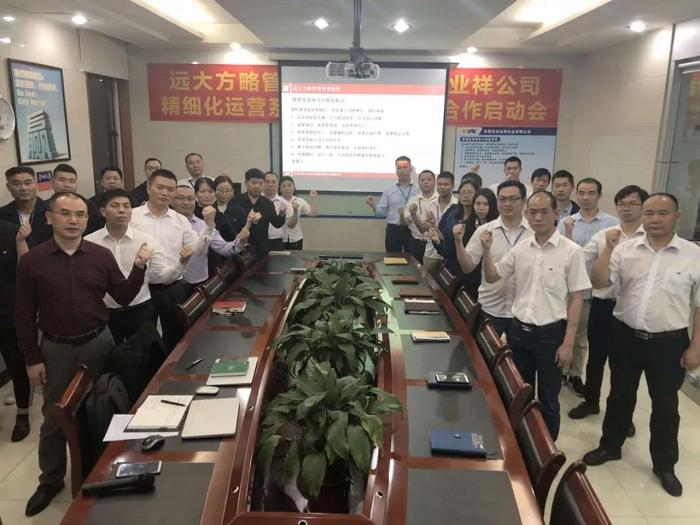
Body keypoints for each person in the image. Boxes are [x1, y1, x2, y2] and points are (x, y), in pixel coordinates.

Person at [15, 192, 150, 516]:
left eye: (79, 214)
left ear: (88, 219)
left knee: (104, 406)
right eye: (65, 213)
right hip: (56, 348)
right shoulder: (33, 261)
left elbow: (123, 296)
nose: (73, 220)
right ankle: (50, 480)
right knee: (54, 416)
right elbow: (23, 314)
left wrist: (138, 267)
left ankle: (104, 469)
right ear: (49, 218)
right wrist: (32, 358)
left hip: (98, 343)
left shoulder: (100, 255)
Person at [583, 193, 700, 498]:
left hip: (669, 342)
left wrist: (696, 348)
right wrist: (608, 249)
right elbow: (599, 282)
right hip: (625, 335)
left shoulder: (693, 255)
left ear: (677, 216)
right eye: (649, 213)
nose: (654, 219)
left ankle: (664, 465)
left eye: (662, 213)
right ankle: (610, 446)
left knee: (665, 406)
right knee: (619, 395)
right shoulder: (625, 249)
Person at [482, 191, 590, 439]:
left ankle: (547, 452)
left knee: (549, 400)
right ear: (527, 214)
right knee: (521, 393)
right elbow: (492, 276)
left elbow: (577, 298)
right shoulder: (521, 249)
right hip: (519, 332)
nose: (538, 217)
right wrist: (487, 251)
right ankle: (524, 445)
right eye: (532, 212)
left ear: (556, 213)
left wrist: (568, 344)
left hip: (551, 335)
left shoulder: (572, 251)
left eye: (544, 212)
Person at [569, 185, 649, 433]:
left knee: (624, 367)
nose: (626, 208)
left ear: (643, 207)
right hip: (603, 306)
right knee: (596, 358)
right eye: (622, 203)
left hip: (632, 309)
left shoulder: (648, 239)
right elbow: (580, 259)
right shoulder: (605, 235)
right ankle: (591, 401)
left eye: (632, 203)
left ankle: (623, 416)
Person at [85, 189, 185, 345]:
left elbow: (162, 277)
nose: (121, 210)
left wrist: (182, 263)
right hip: (105, 314)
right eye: (115, 206)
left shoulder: (145, 240)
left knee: (144, 355)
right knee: (108, 355)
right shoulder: (90, 242)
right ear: (103, 211)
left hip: (140, 311)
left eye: (126, 206)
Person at [130, 169, 212, 351]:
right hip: (140, 287)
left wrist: (208, 225)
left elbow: (198, 249)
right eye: (160, 187)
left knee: (176, 335)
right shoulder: (132, 217)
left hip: (172, 287)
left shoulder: (180, 220)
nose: (165, 193)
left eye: (170, 189)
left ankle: (172, 367)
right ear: (148, 187)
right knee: (142, 338)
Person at [558, 177, 618, 396]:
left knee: (582, 336)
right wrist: (569, 233)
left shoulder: (611, 224)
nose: (585, 197)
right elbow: (561, 253)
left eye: (591, 193)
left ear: (599, 196)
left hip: (597, 289)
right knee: (564, 331)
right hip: (570, 288)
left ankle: (575, 374)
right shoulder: (566, 222)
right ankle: (561, 371)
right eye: (581, 193)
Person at [456, 181, 533, 335]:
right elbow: (467, 267)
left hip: (524, 312)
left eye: (513, 199)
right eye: (502, 199)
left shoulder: (534, 233)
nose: (507, 204)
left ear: (524, 201)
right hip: (490, 308)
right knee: (484, 350)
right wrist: (458, 241)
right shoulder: (484, 231)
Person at [172, 184, 250, 296]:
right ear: (172, 201)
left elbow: (224, 248)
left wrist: (241, 241)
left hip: (197, 284)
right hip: (172, 285)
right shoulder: (165, 224)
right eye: (181, 198)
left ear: (195, 200)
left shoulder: (204, 224)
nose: (186, 202)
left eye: (190, 199)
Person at [0, 218, 31, 442]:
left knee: (17, 366)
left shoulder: (10, 231)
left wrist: (21, 242)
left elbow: (25, 268)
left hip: (6, 313)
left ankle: (23, 414)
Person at [429, 179, 484, 298]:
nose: (465, 195)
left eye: (470, 192)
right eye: (462, 192)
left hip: (470, 274)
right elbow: (446, 245)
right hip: (449, 270)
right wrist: (437, 239)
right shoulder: (453, 213)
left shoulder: (479, 219)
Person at [366, 155, 420, 253]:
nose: (402, 171)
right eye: (399, 168)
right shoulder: (389, 189)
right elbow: (381, 213)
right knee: (392, 258)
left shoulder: (418, 189)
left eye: (405, 167)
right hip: (394, 229)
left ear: (410, 169)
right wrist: (373, 205)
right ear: (396, 170)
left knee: (413, 258)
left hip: (412, 229)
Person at [229, 168, 286, 257]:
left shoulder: (268, 203)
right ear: (246, 183)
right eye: (254, 183)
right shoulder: (236, 201)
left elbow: (277, 224)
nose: (257, 186)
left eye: (260, 183)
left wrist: (282, 213)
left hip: (262, 249)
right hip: (241, 249)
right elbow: (230, 226)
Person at [413, 171, 457, 273]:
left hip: (450, 255)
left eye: (446, 184)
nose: (442, 187)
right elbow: (422, 230)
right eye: (440, 184)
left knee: (449, 282)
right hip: (431, 254)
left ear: (453, 186)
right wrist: (414, 215)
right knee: (428, 281)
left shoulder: (458, 206)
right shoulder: (430, 205)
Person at [0, 166, 52, 247]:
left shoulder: (50, 210)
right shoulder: (2, 215)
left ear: (35, 184)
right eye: (16, 184)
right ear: (8, 187)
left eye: (28, 183)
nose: (23, 188)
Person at [51, 163, 103, 235]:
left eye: (72, 181)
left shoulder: (89, 206)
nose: (67, 185)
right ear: (52, 182)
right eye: (62, 180)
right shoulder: (43, 207)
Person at [402, 169, 437, 263]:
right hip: (416, 242)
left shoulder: (440, 199)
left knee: (433, 270)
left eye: (429, 179)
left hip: (435, 243)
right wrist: (403, 215)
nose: (426, 182)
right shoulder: (413, 200)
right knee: (415, 269)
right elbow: (406, 221)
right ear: (418, 182)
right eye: (422, 180)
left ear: (434, 182)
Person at [278, 175, 318, 250]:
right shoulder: (276, 201)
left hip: (296, 238)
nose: (287, 188)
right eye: (284, 186)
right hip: (280, 238)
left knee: (297, 257)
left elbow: (313, 213)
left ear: (294, 187)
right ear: (279, 189)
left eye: (290, 185)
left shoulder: (299, 201)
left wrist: (313, 198)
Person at [263, 171, 287, 251]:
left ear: (277, 185)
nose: (270, 185)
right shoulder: (256, 201)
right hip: (259, 240)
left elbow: (289, 224)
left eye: (274, 182)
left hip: (277, 241)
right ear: (262, 183)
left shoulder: (284, 203)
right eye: (267, 182)